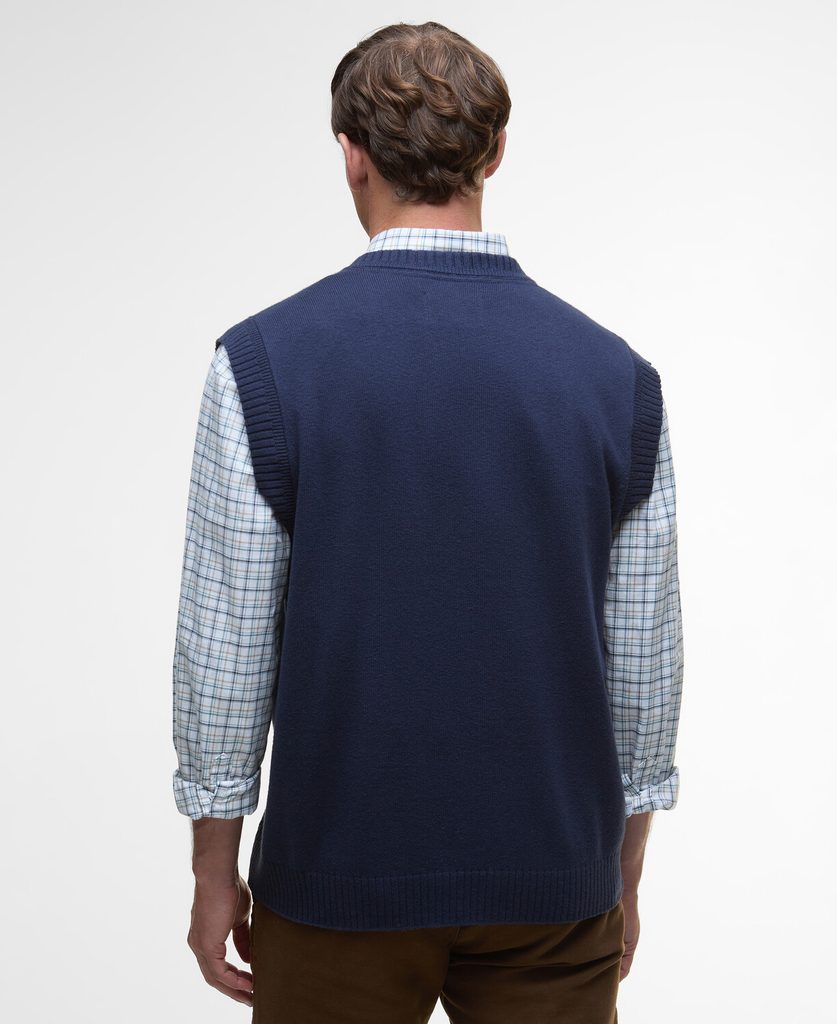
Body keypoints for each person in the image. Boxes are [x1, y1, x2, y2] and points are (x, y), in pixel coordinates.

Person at [171, 20, 683, 1024]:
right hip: (552, 882)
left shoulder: (263, 363)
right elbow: (643, 662)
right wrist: (619, 870)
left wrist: (212, 869)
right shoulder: (617, 379)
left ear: (351, 155)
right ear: (496, 153)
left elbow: (224, 649)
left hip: (336, 881)